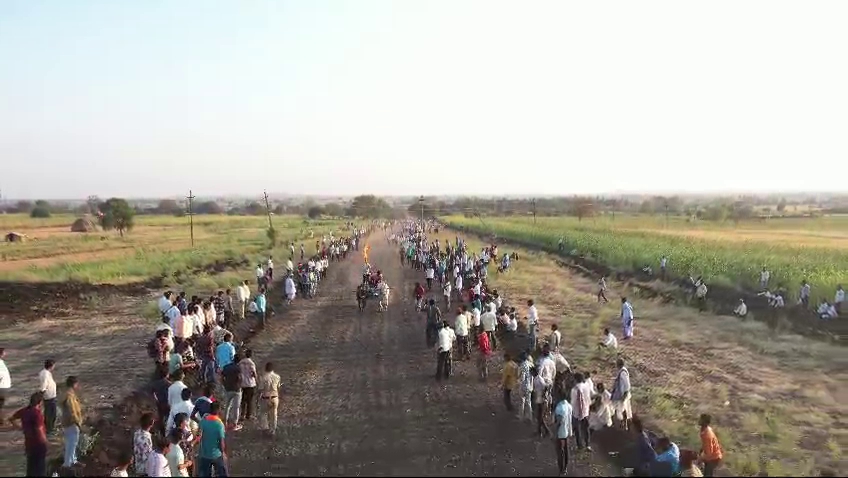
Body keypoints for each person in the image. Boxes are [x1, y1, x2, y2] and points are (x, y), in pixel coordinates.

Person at [10, 391, 48, 477]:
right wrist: (46, 442)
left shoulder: (24, 411)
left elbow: (11, 419)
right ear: (40, 402)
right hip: (38, 444)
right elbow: (39, 430)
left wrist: (20, 428)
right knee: (40, 469)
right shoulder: (37, 414)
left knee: (30, 468)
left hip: (29, 444)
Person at [197, 401, 228, 477]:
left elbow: (199, 436)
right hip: (216, 454)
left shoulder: (203, 421)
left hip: (204, 454)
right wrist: (223, 452)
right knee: (222, 474)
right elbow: (221, 441)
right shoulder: (219, 424)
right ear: (218, 410)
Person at [61, 375, 84, 468]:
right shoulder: (69, 396)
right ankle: (67, 464)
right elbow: (73, 411)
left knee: (71, 443)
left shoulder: (67, 394)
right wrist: (78, 422)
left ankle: (73, 460)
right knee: (71, 444)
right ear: (74, 384)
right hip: (72, 422)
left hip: (68, 422)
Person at [257, 361, 282, 436]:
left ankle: (265, 428)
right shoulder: (277, 377)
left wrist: (258, 398)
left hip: (266, 397)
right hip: (275, 397)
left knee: (263, 413)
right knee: (274, 414)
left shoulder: (263, 377)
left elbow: (260, 389)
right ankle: (273, 430)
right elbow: (278, 387)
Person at [553, 394, 573, 476]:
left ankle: (561, 470)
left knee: (560, 452)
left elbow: (559, 422)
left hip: (560, 433)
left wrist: (554, 433)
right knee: (566, 451)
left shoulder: (559, 408)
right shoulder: (569, 405)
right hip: (567, 432)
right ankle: (565, 468)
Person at [221, 356, 243, 431]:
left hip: (227, 388)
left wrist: (224, 384)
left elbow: (221, 377)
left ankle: (224, 422)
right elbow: (240, 378)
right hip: (236, 389)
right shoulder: (238, 368)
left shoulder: (226, 367)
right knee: (236, 407)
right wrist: (240, 385)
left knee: (227, 406)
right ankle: (234, 424)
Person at [611, 359, 632, 430]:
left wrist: (624, 395)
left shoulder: (623, 373)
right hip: (621, 394)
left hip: (622, 395)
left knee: (622, 410)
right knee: (623, 409)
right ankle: (623, 425)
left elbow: (626, 385)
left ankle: (623, 425)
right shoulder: (621, 371)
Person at [39, 359, 58, 434]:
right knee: (50, 413)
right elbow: (44, 385)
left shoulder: (46, 373)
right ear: (51, 366)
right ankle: (49, 429)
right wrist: (41, 395)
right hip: (48, 396)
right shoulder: (45, 374)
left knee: (51, 413)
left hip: (50, 395)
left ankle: (49, 427)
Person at [238, 350, 257, 424]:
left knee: (243, 400)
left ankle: (242, 414)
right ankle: (248, 415)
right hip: (250, 384)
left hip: (242, 383)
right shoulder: (251, 363)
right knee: (249, 400)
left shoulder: (241, 362)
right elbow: (254, 374)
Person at [0, 348, 11, 425]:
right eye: (4, 352)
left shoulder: (1, 362)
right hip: (2, 387)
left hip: (4, 386)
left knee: (1, 404)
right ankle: (1, 420)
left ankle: (1, 420)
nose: (5, 354)